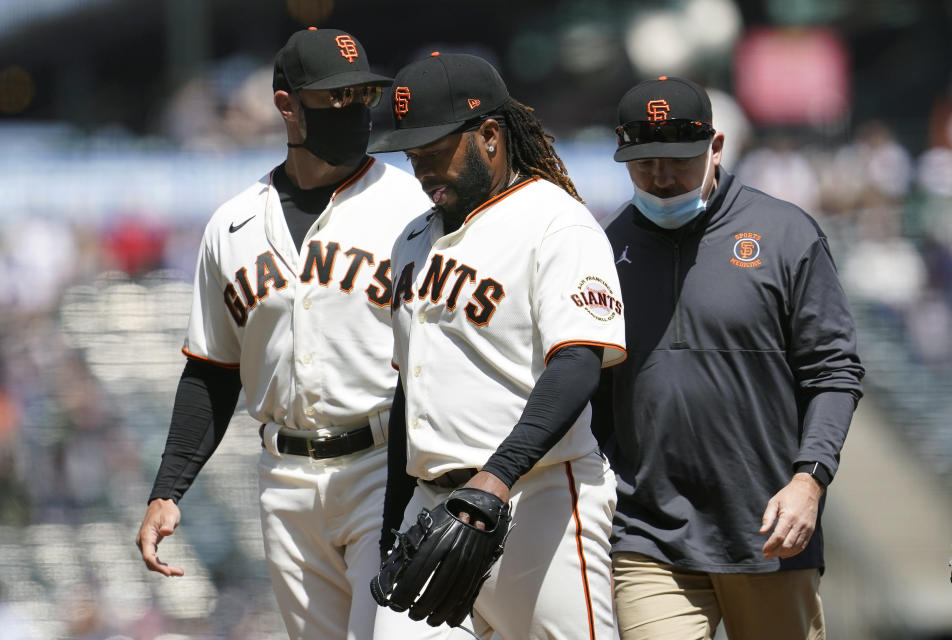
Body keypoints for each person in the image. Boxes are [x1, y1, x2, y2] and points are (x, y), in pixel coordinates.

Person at [134, 27, 430, 640]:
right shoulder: (233, 225)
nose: (352, 111)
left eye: (361, 97)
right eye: (333, 98)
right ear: (286, 104)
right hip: (284, 477)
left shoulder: (413, 206)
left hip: (386, 463)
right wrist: (168, 489)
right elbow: (213, 368)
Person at [366, 52, 626, 640]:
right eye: (414, 158)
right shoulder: (410, 241)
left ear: (489, 135)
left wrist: (498, 477)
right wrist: (392, 524)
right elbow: (412, 393)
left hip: (540, 503)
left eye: (436, 154)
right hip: (433, 505)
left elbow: (578, 366)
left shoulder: (557, 223)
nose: (424, 172)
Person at [595, 76, 865, 640]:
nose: (662, 178)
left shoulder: (786, 234)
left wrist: (810, 480)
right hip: (647, 532)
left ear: (716, 146)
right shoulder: (603, 246)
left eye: (678, 160)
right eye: (644, 164)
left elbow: (834, 373)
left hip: (769, 529)